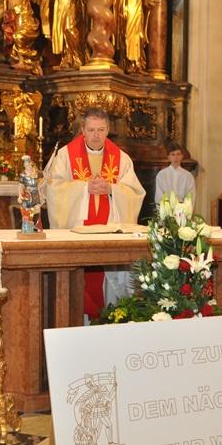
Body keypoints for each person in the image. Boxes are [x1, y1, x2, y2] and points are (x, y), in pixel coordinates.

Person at [44, 107, 146, 321]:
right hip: (77, 231)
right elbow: (53, 188)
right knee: (80, 284)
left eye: (101, 130)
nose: (96, 135)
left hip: (110, 233)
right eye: (91, 130)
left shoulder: (121, 158)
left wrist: (112, 189)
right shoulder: (66, 155)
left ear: (108, 129)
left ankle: (111, 319)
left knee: (109, 286)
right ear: (83, 129)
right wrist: (84, 188)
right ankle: (77, 321)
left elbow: (136, 192)